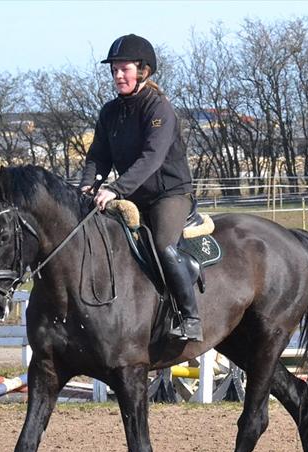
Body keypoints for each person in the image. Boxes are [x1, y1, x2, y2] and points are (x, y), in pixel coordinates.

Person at [79, 33, 202, 341]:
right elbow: (98, 156)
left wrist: (116, 189)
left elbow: (152, 158)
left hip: (169, 195)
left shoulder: (158, 108)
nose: (118, 75)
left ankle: (189, 316)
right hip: (133, 194)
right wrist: (86, 187)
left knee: (162, 244)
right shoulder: (109, 112)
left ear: (143, 70)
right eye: (114, 70)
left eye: (125, 69)